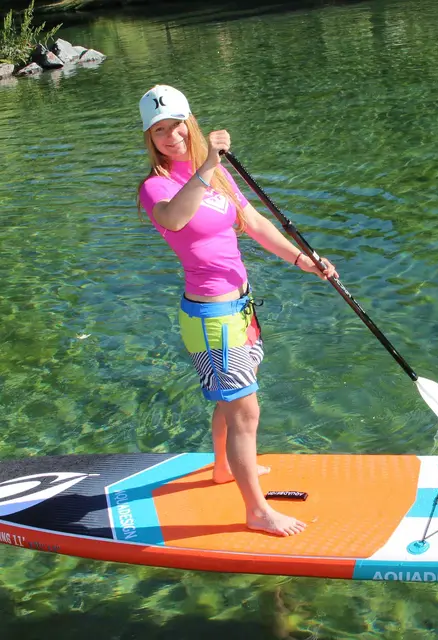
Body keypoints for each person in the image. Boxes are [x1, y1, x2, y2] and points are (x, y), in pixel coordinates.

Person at [137, 85, 338, 536]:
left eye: (176, 126)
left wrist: (304, 260)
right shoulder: (157, 186)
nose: (171, 138)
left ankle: (223, 469)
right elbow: (174, 219)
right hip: (211, 317)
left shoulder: (220, 177)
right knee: (245, 410)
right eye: (159, 131)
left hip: (241, 309)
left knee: (230, 401)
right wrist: (207, 165)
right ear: (149, 138)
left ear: (192, 122)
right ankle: (257, 511)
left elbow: (257, 224)